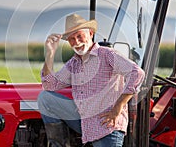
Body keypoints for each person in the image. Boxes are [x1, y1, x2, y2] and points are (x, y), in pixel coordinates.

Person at [37, 13, 145, 147]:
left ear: (91, 33)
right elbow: (49, 85)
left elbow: (137, 73)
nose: (76, 42)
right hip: (86, 124)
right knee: (45, 98)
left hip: (107, 126)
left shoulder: (107, 54)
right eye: (71, 39)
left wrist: (118, 107)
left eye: (79, 36)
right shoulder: (73, 63)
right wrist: (50, 54)